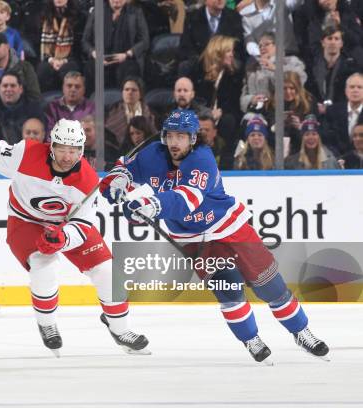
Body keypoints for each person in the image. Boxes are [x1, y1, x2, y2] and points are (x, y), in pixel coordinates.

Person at [99, 109, 329, 363]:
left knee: (270, 286)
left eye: (182, 136)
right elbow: (123, 168)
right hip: (194, 240)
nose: (175, 142)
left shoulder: (203, 160)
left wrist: (151, 205)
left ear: (193, 138)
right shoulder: (152, 155)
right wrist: (117, 181)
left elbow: (187, 199)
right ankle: (251, 338)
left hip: (230, 226)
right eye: (171, 136)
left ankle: (301, 332)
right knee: (228, 291)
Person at [0, 118, 150, 356]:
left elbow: (82, 224)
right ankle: (47, 324)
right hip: (25, 221)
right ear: (51, 145)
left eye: (74, 150)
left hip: (66, 227)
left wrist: (63, 237)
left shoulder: (88, 180)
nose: (67, 156)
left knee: (108, 271)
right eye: (62, 148)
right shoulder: (25, 153)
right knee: (43, 265)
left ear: (81, 150)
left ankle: (120, 329)